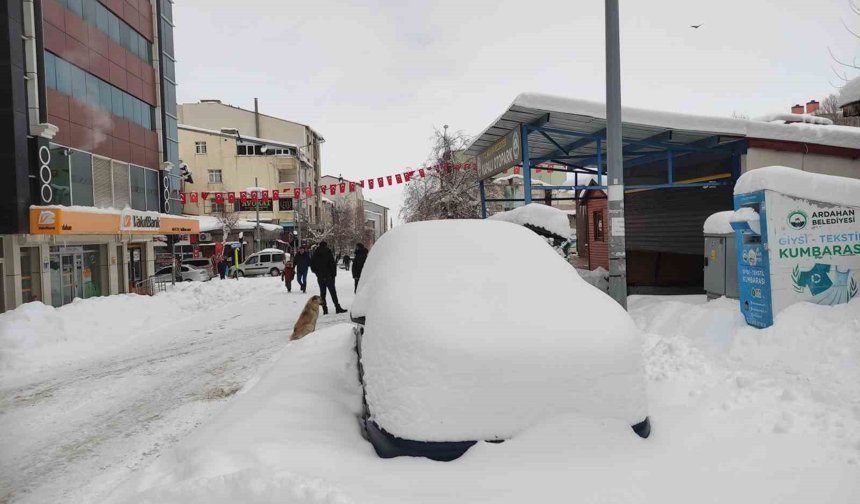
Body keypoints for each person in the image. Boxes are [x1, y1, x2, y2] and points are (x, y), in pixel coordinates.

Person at [310, 240, 346, 315]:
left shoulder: (315, 253)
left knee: (322, 293)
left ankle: (325, 309)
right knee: (333, 292)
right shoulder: (328, 252)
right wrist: (333, 274)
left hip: (320, 277)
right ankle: (337, 307)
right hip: (329, 276)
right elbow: (332, 264)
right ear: (326, 245)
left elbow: (312, 265)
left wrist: (317, 273)